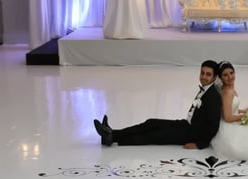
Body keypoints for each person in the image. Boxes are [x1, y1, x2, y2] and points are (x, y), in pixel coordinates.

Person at [93, 60, 222, 149]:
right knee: (151, 123)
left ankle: (111, 138)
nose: (203, 77)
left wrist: (199, 144)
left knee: (153, 136)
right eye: (202, 73)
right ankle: (112, 133)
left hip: (190, 134)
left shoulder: (213, 97)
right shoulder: (206, 89)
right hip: (185, 125)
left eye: (208, 74)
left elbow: (213, 126)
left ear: (214, 77)